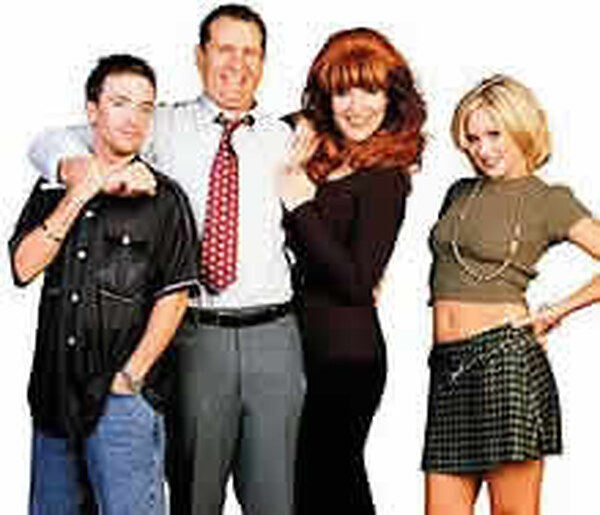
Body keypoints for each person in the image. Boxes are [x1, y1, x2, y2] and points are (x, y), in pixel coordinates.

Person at [27, 5, 305, 515]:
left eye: (250, 52)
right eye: (224, 49)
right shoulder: (161, 124)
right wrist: (75, 169)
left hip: (275, 336)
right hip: (194, 334)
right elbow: (52, 140)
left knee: (275, 499)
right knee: (193, 496)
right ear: (200, 56)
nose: (237, 63)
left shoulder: (286, 138)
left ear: (264, 62)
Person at [9, 54, 200, 515]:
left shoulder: (166, 199)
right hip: (53, 397)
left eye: (145, 107)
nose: (134, 118)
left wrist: (130, 379)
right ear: (92, 111)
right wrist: (79, 192)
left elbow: (174, 298)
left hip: (122, 405)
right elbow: (23, 267)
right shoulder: (53, 186)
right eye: (120, 103)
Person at [423, 74, 600, 514]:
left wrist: (559, 310)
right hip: (446, 369)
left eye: (494, 134)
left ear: (520, 128)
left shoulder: (549, 200)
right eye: (472, 138)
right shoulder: (459, 192)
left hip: (505, 363)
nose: (483, 149)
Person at [278, 28, 426, 515]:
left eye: (370, 91)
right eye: (343, 92)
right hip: (305, 348)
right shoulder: (321, 156)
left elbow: (358, 283)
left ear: (392, 98)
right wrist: (301, 126)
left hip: (347, 358)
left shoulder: (386, 177)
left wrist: (300, 203)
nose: (357, 107)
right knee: (311, 487)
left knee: (331, 483)